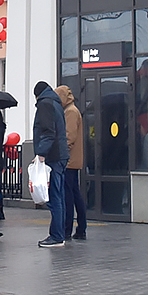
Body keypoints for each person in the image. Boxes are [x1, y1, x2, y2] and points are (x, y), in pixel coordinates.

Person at [33, 81, 68, 248]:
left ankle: (56, 236)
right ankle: (60, 233)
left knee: (54, 198)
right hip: (60, 155)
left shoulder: (45, 104)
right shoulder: (56, 103)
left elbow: (48, 131)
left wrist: (41, 153)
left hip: (53, 156)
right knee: (59, 197)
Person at [56, 85, 89, 241]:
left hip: (69, 161)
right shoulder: (72, 110)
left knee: (69, 196)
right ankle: (80, 228)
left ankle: (68, 229)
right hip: (73, 160)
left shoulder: (70, 112)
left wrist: (61, 154)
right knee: (75, 194)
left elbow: (69, 137)